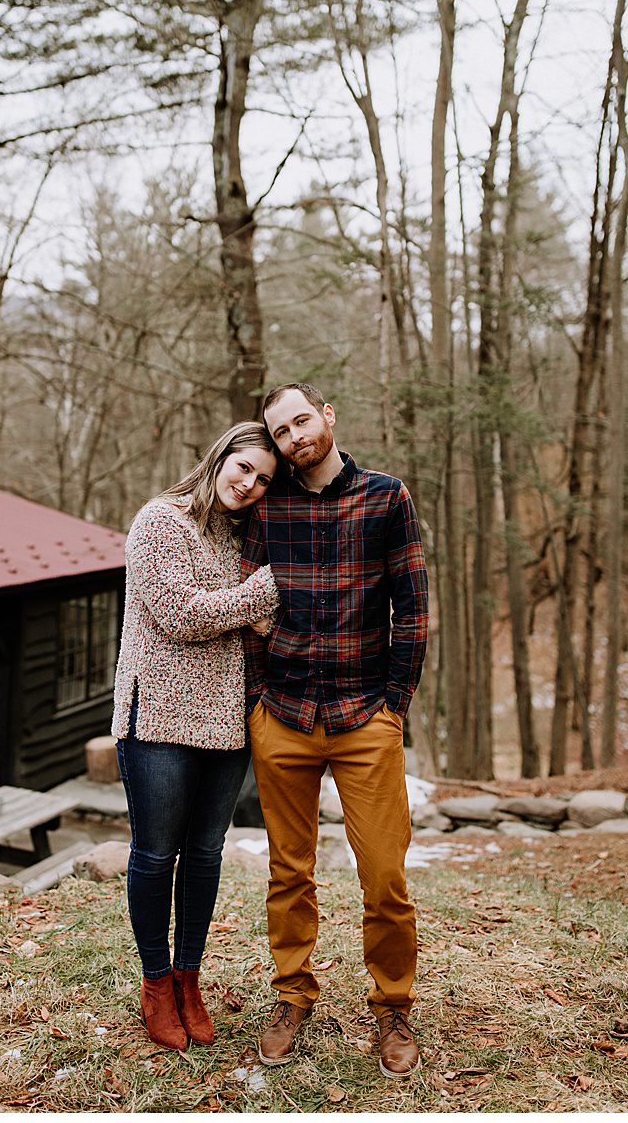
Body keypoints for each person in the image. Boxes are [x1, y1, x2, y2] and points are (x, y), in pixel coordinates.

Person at [241, 382, 428, 1080]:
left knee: (384, 875)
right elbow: (249, 602)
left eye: (301, 421)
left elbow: (412, 607)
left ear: (327, 416)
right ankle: (292, 996)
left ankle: (393, 1006)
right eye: (280, 432)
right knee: (289, 872)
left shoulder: (386, 497)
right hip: (283, 716)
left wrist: (394, 705)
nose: (294, 438)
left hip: (364, 717)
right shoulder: (268, 505)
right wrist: (259, 696)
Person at [112, 422, 283, 1050]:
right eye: (243, 468)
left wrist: (243, 604)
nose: (249, 485)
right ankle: (156, 982)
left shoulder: (244, 537)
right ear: (220, 459)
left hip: (228, 719)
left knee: (206, 854)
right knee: (157, 852)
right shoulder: (162, 521)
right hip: (157, 715)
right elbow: (181, 616)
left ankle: (189, 977)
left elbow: (259, 628)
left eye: (264, 480)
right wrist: (259, 592)